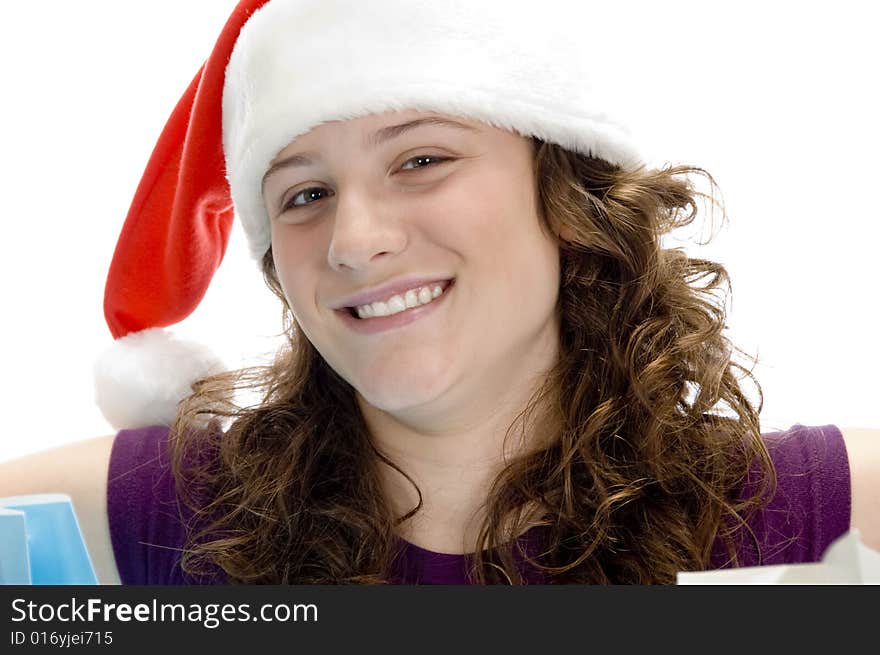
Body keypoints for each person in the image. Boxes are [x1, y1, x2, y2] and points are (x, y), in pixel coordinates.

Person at [2, 0, 878, 585]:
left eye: (421, 160)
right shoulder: (160, 517)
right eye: (304, 195)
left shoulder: (808, 515)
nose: (354, 239)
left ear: (568, 201)